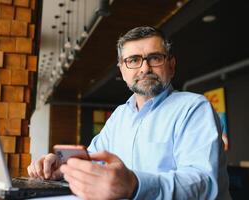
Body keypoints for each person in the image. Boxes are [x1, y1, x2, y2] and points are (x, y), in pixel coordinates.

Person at [27, 26, 231, 199]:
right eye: (133, 60)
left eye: (155, 58)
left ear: (171, 65)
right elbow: (92, 159)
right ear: (122, 70)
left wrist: (134, 184)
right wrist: (61, 168)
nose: (144, 68)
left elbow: (203, 183)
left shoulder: (194, 108)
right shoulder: (119, 116)